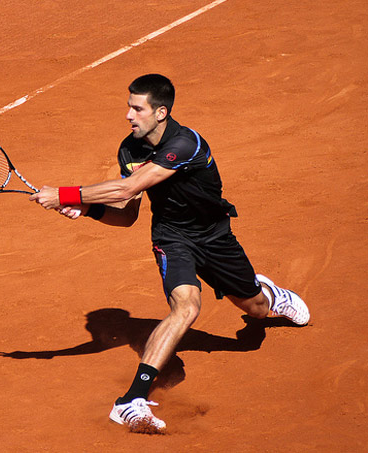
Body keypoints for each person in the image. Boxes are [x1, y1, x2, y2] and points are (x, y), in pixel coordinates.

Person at [28, 74, 310, 434]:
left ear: (161, 112)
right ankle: (132, 401)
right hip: (172, 238)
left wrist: (66, 195)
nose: (129, 115)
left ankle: (270, 294)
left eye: (137, 108)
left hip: (215, 236)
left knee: (255, 309)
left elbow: (130, 186)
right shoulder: (130, 150)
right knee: (186, 307)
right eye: (129, 106)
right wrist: (88, 210)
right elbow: (128, 214)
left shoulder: (185, 143)